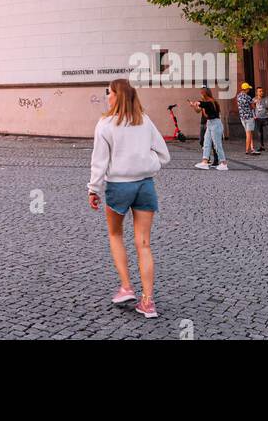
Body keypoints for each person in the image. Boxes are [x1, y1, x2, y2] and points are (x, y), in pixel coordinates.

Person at [87, 80, 170, 320]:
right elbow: (164, 154)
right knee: (144, 243)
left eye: (109, 93)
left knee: (115, 235)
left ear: (117, 96)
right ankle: (148, 302)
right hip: (145, 185)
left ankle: (126, 287)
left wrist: (94, 189)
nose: (107, 97)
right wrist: (146, 165)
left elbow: (99, 161)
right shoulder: (144, 120)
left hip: (119, 186)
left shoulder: (105, 124)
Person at [189, 87, 227, 170]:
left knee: (217, 144)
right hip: (210, 123)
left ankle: (223, 163)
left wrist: (197, 103)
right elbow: (201, 108)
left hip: (216, 124)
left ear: (204, 94)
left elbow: (203, 104)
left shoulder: (211, 102)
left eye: (201, 93)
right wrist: (195, 105)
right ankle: (205, 161)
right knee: (206, 143)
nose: (201, 95)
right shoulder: (209, 102)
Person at [235, 82, 258, 156]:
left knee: (248, 133)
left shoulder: (238, 96)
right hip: (249, 117)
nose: (249, 90)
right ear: (246, 89)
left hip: (242, 117)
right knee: (249, 133)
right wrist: (255, 103)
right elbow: (253, 107)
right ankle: (247, 150)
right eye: (248, 88)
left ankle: (251, 147)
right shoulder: (248, 97)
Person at [253, 87, 268, 153]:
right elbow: (252, 107)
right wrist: (254, 115)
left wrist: (260, 101)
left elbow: (267, 106)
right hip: (258, 118)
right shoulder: (254, 99)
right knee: (260, 133)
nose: (261, 92)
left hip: (266, 118)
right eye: (260, 91)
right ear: (257, 92)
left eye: (262, 91)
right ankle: (262, 146)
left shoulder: (266, 98)